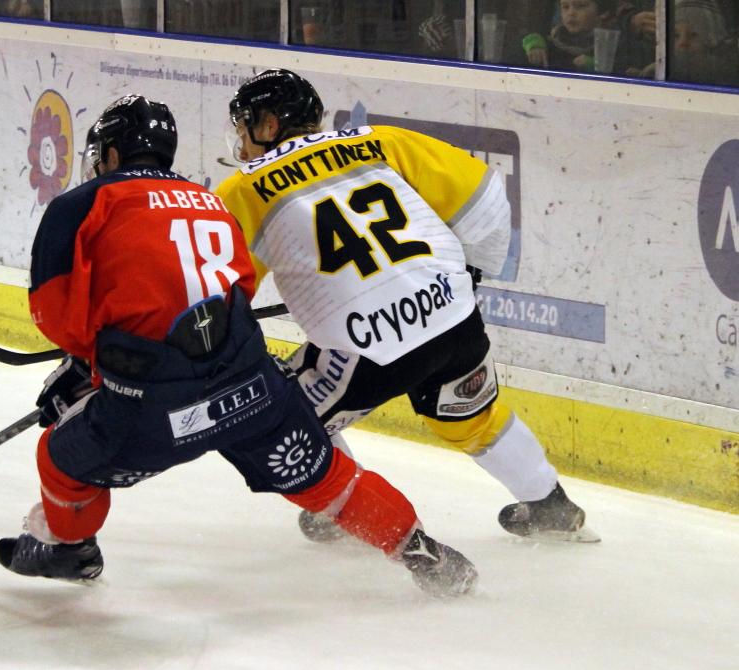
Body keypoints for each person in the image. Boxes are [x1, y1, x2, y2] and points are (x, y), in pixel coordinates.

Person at [0, 94, 478, 597]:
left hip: (156, 412)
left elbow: (55, 314)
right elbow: (239, 287)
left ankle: (69, 549)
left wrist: (96, 367)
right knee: (331, 481)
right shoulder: (209, 199)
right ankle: (420, 551)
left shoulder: (80, 204)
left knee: (59, 456)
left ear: (113, 154)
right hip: (252, 387)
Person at [215, 69, 598, 545]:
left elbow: (212, 288)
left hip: (365, 347)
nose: (241, 141)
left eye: (244, 127)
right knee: (470, 415)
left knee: (281, 415)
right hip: (453, 317)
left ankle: (349, 505)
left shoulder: (243, 189)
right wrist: (469, 273)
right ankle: (551, 504)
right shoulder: (382, 141)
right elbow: (484, 200)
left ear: (269, 125)